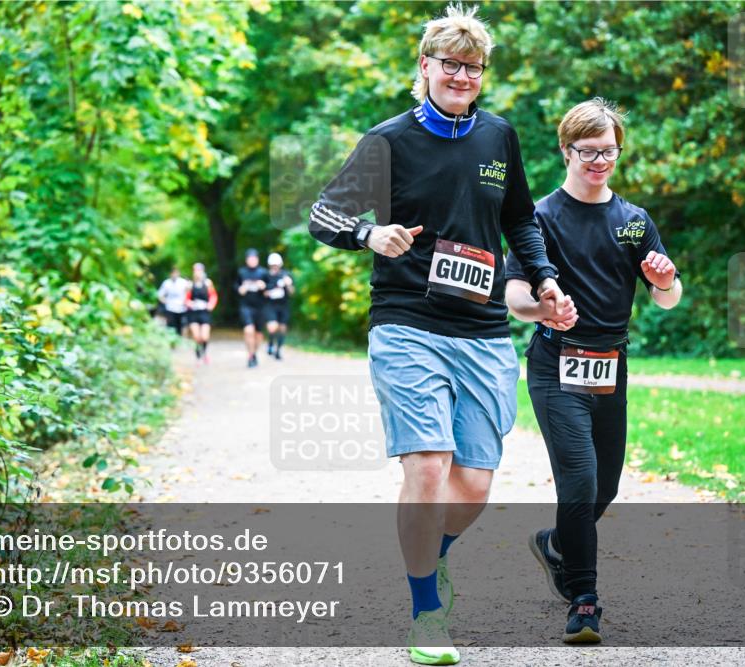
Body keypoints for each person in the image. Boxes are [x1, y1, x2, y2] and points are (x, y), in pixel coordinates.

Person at [308, 5, 567, 664]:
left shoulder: (498, 137)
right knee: (427, 466)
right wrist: (370, 233)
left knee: (473, 486)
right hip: (407, 323)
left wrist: (542, 281)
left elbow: (521, 221)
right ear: (424, 67)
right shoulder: (389, 140)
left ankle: (433, 557)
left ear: (481, 75)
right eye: (448, 63)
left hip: (483, 329)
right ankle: (426, 610)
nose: (460, 75)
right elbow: (322, 214)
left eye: (472, 66)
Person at [504, 98, 682, 645]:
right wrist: (543, 308)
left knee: (604, 487)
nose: (600, 161)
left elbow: (668, 298)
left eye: (609, 151)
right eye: (588, 151)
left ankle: (556, 544)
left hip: (610, 367)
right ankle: (584, 601)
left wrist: (663, 277)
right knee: (579, 480)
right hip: (556, 362)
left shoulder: (633, 222)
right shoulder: (539, 217)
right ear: (566, 150)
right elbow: (513, 294)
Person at [236, 248, 269, 368]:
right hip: (246, 306)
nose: (252, 260)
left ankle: (254, 353)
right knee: (248, 330)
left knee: (259, 334)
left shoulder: (263, 272)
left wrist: (264, 287)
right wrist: (241, 289)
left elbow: (270, 290)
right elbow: (236, 287)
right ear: (246, 260)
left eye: (254, 258)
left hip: (260, 307)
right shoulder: (241, 272)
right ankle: (250, 355)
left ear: (258, 259)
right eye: (250, 258)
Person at [263, 252, 295, 360]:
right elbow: (263, 292)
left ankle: (278, 350)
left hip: (283, 305)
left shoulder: (286, 275)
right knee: (273, 327)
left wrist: (288, 284)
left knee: (282, 328)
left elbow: (292, 292)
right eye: (273, 265)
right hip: (271, 305)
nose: (275, 267)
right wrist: (272, 290)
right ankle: (271, 343)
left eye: (276, 265)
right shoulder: (266, 276)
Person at [185, 262, 218, 363]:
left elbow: (213, 296)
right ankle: (198, 352)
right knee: (196, 336)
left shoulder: (208, 283)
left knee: (204, 336)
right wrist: (189, 303)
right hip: (194, 313)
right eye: (196, 270)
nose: (197, 273)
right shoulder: (190, 285)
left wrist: (211, 305)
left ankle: (204, 352)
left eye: (199, 270)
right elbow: (186, 298)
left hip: (204, 312)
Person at [157, 267, 190, 340]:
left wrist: (187, 301)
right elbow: (160, 295)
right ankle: (172, 340)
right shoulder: (166, 283)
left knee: (181, 325)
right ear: (170, 274)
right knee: (171, 326)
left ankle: (181, 339)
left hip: (182, 308)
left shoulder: (183, 282)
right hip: (170, 308)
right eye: (173, 273)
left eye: (176, 273)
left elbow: (189, 291)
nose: (174, 275)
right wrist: (165, 302)